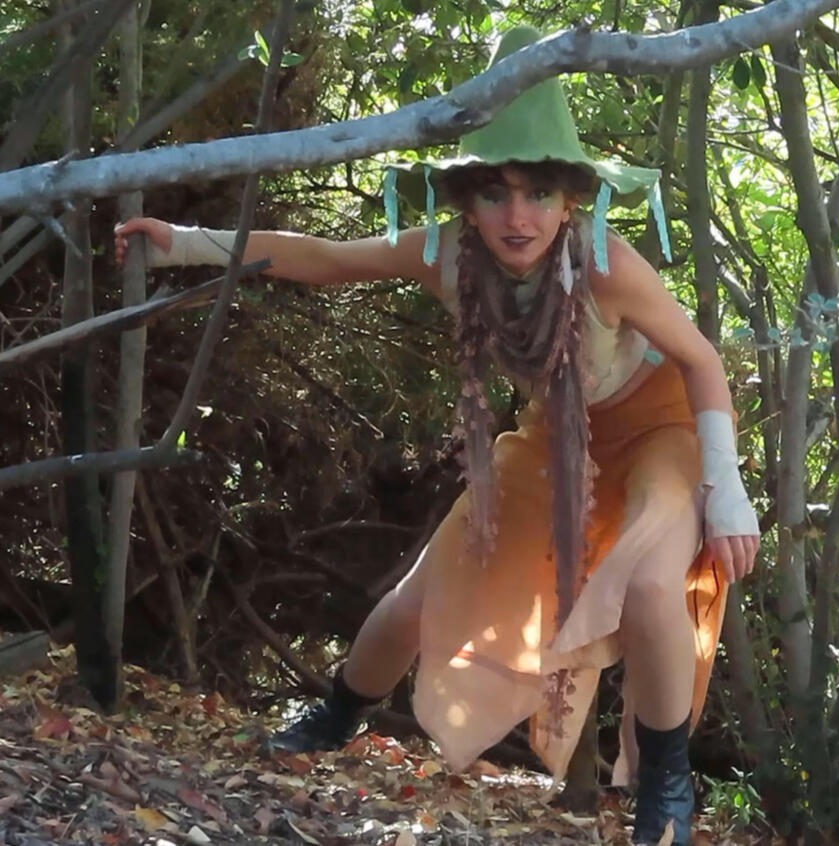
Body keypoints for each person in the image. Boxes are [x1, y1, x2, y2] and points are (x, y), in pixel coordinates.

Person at [115, 26, 759, 846]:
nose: (517, 217)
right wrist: (185, 245)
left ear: (571, 199)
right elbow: (326, 259)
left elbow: (702, 362)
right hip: (555, 441)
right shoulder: (446, 254)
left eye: (538, 193)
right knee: (422, 594)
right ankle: (337, 714)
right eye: (494, 193)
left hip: (661, 429)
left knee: (651, 583)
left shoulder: (606, 266)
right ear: (465, 200)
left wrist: (725, 487)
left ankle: (666, 785)